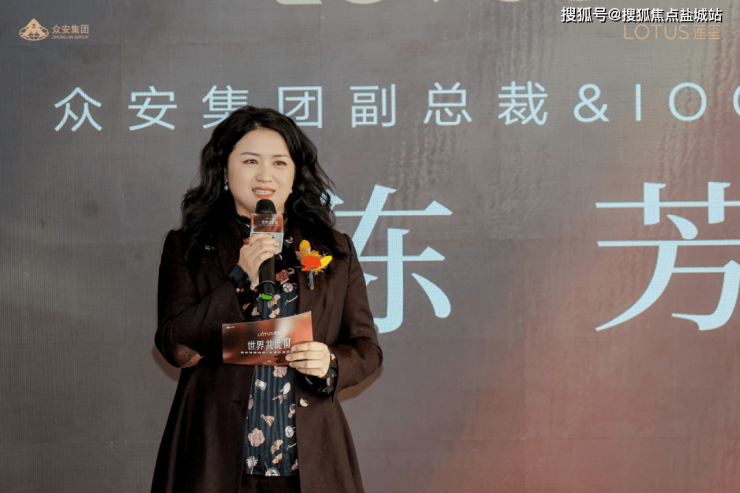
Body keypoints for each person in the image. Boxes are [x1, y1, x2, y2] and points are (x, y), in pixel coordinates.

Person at [151, 106, 382, 493]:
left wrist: (330, 362)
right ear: (224, 171)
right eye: (250, 161)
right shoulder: (189, 246)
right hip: (216, 459)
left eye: (279, 162)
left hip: (308, 464)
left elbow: (366, 348)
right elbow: (175, 345)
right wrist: (240, 278)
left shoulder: (333, 248)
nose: (265, 175)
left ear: (295, 174)